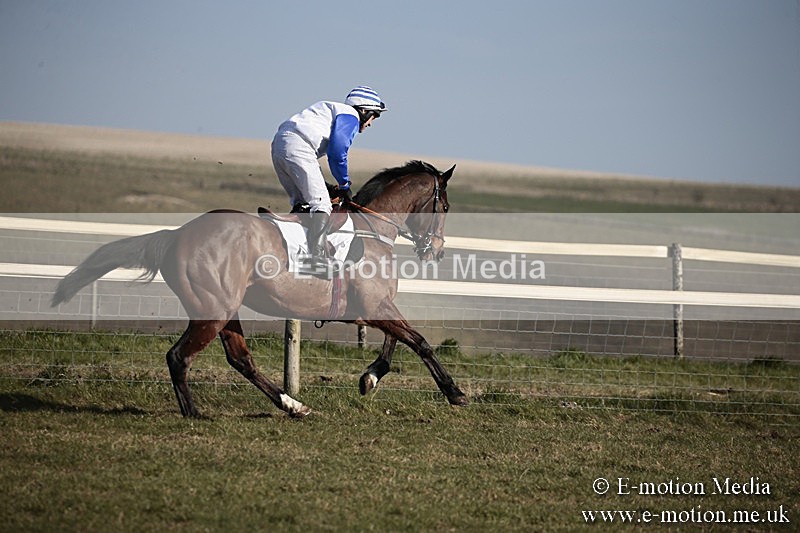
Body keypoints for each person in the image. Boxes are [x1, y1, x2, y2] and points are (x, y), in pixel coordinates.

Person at [271, 86, 387, 275]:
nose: (372, 122)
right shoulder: (351, 115)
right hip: (299, 147)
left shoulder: (333, 111)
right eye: (374, 115)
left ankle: (294, 249)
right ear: (364, 110)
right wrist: (344, 184)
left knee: (304, 204)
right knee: (322, 205)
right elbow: (337, 152)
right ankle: (316, 258)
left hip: (280, 144)